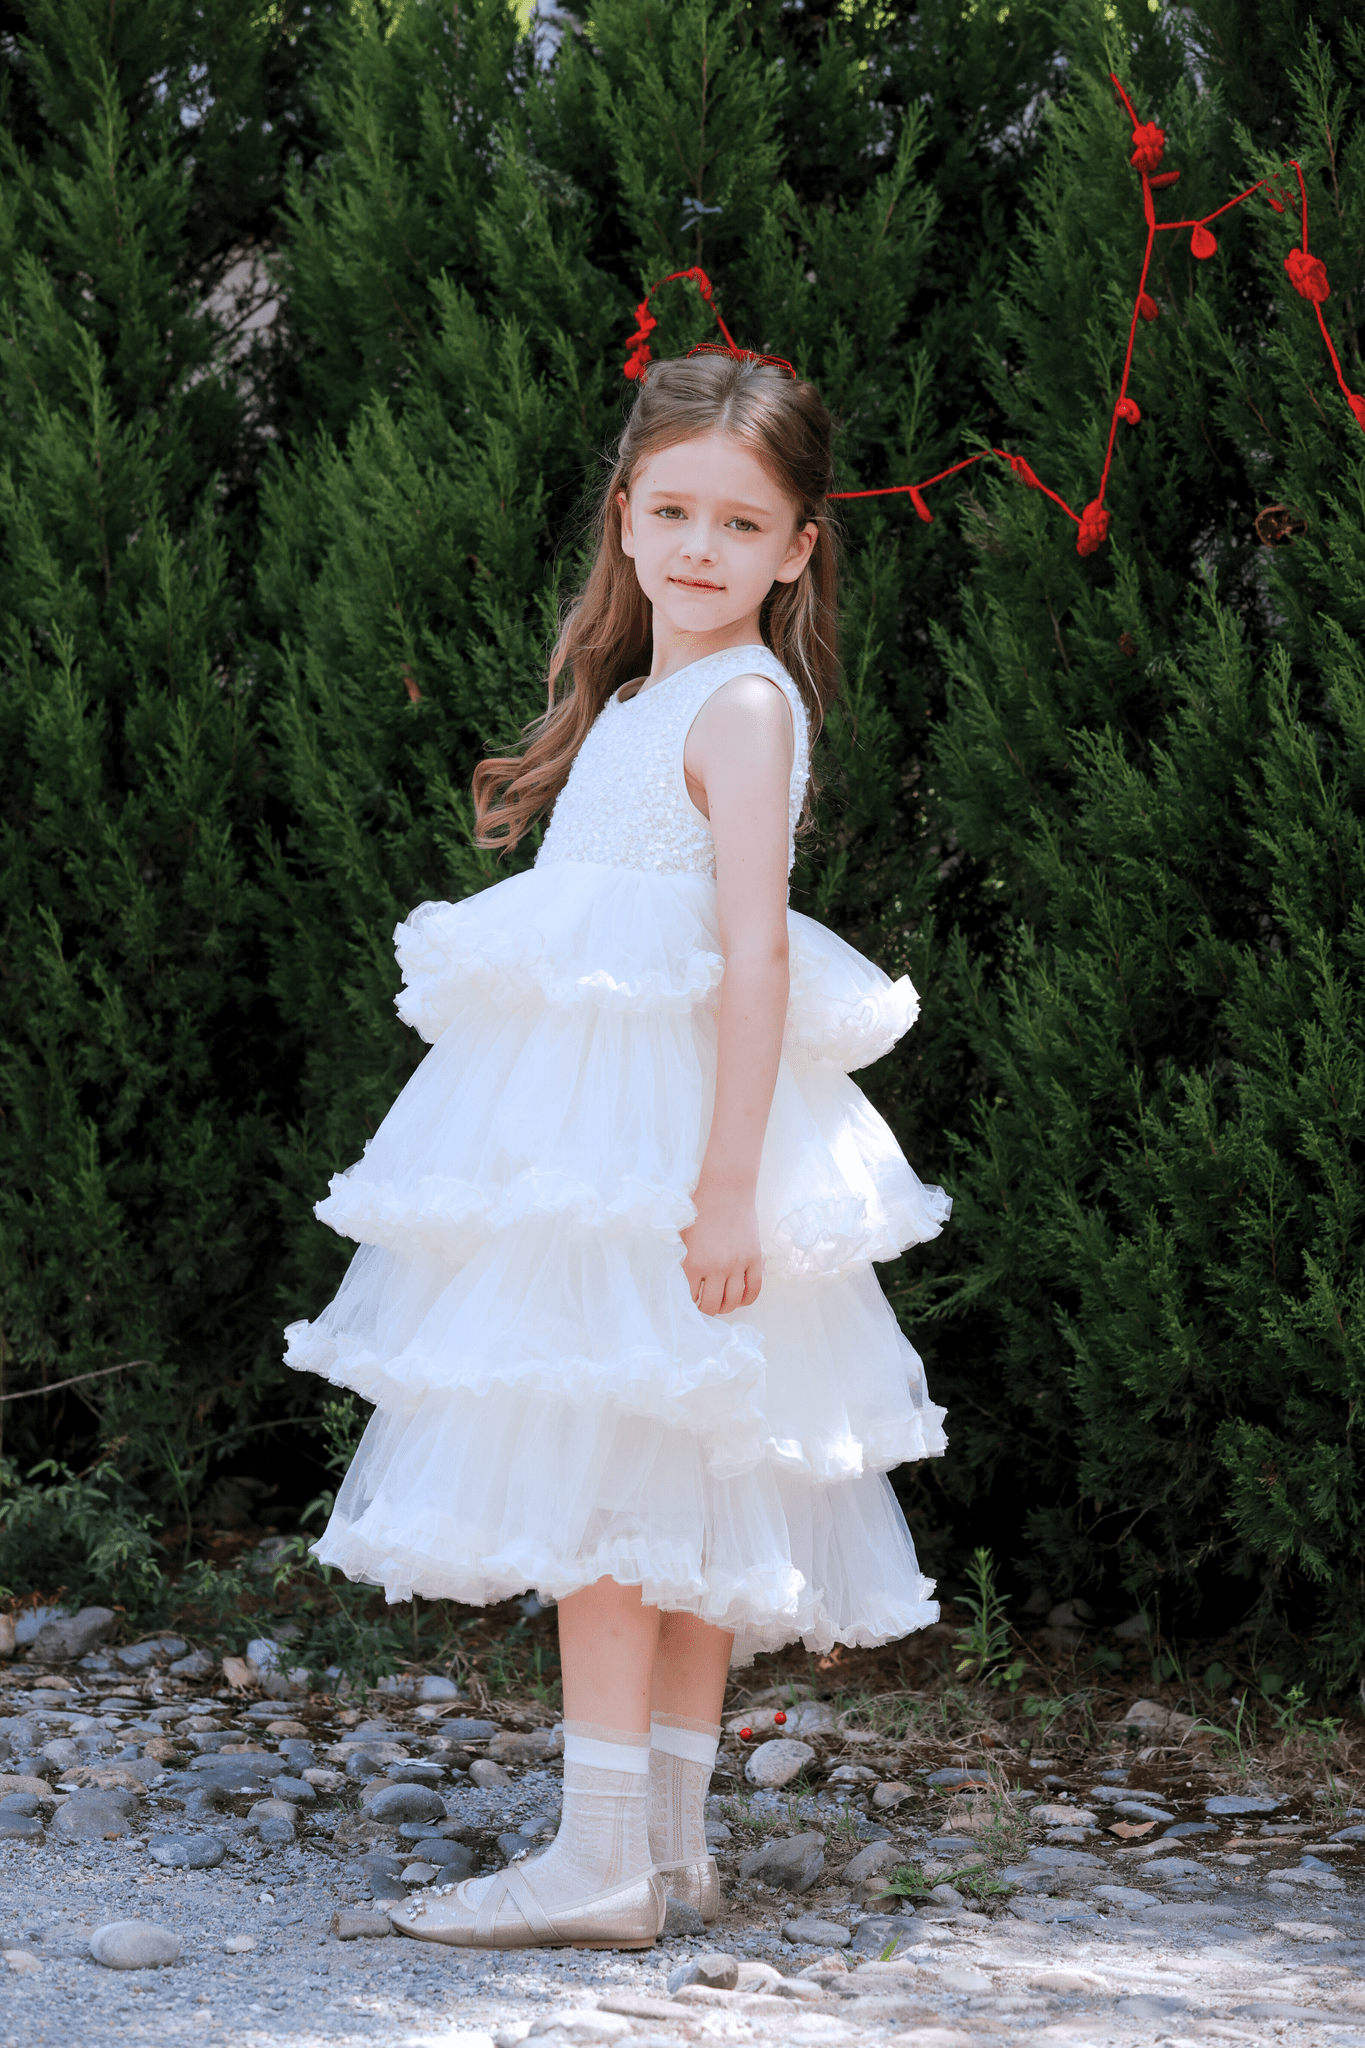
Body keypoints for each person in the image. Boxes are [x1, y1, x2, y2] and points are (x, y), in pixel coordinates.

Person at [285, 346, 950, 1952]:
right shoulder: (654, 699)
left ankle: (599, 1861)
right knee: (669, 1475)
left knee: (606, 1478)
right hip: (616, 1130)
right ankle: (661, 1843)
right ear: (627, 518)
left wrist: (728, 1189)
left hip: (664, 1150)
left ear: (800, 547)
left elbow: (758, 955)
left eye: (742, 522)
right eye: (673, 511)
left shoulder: (736, 705)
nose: (700, 546)